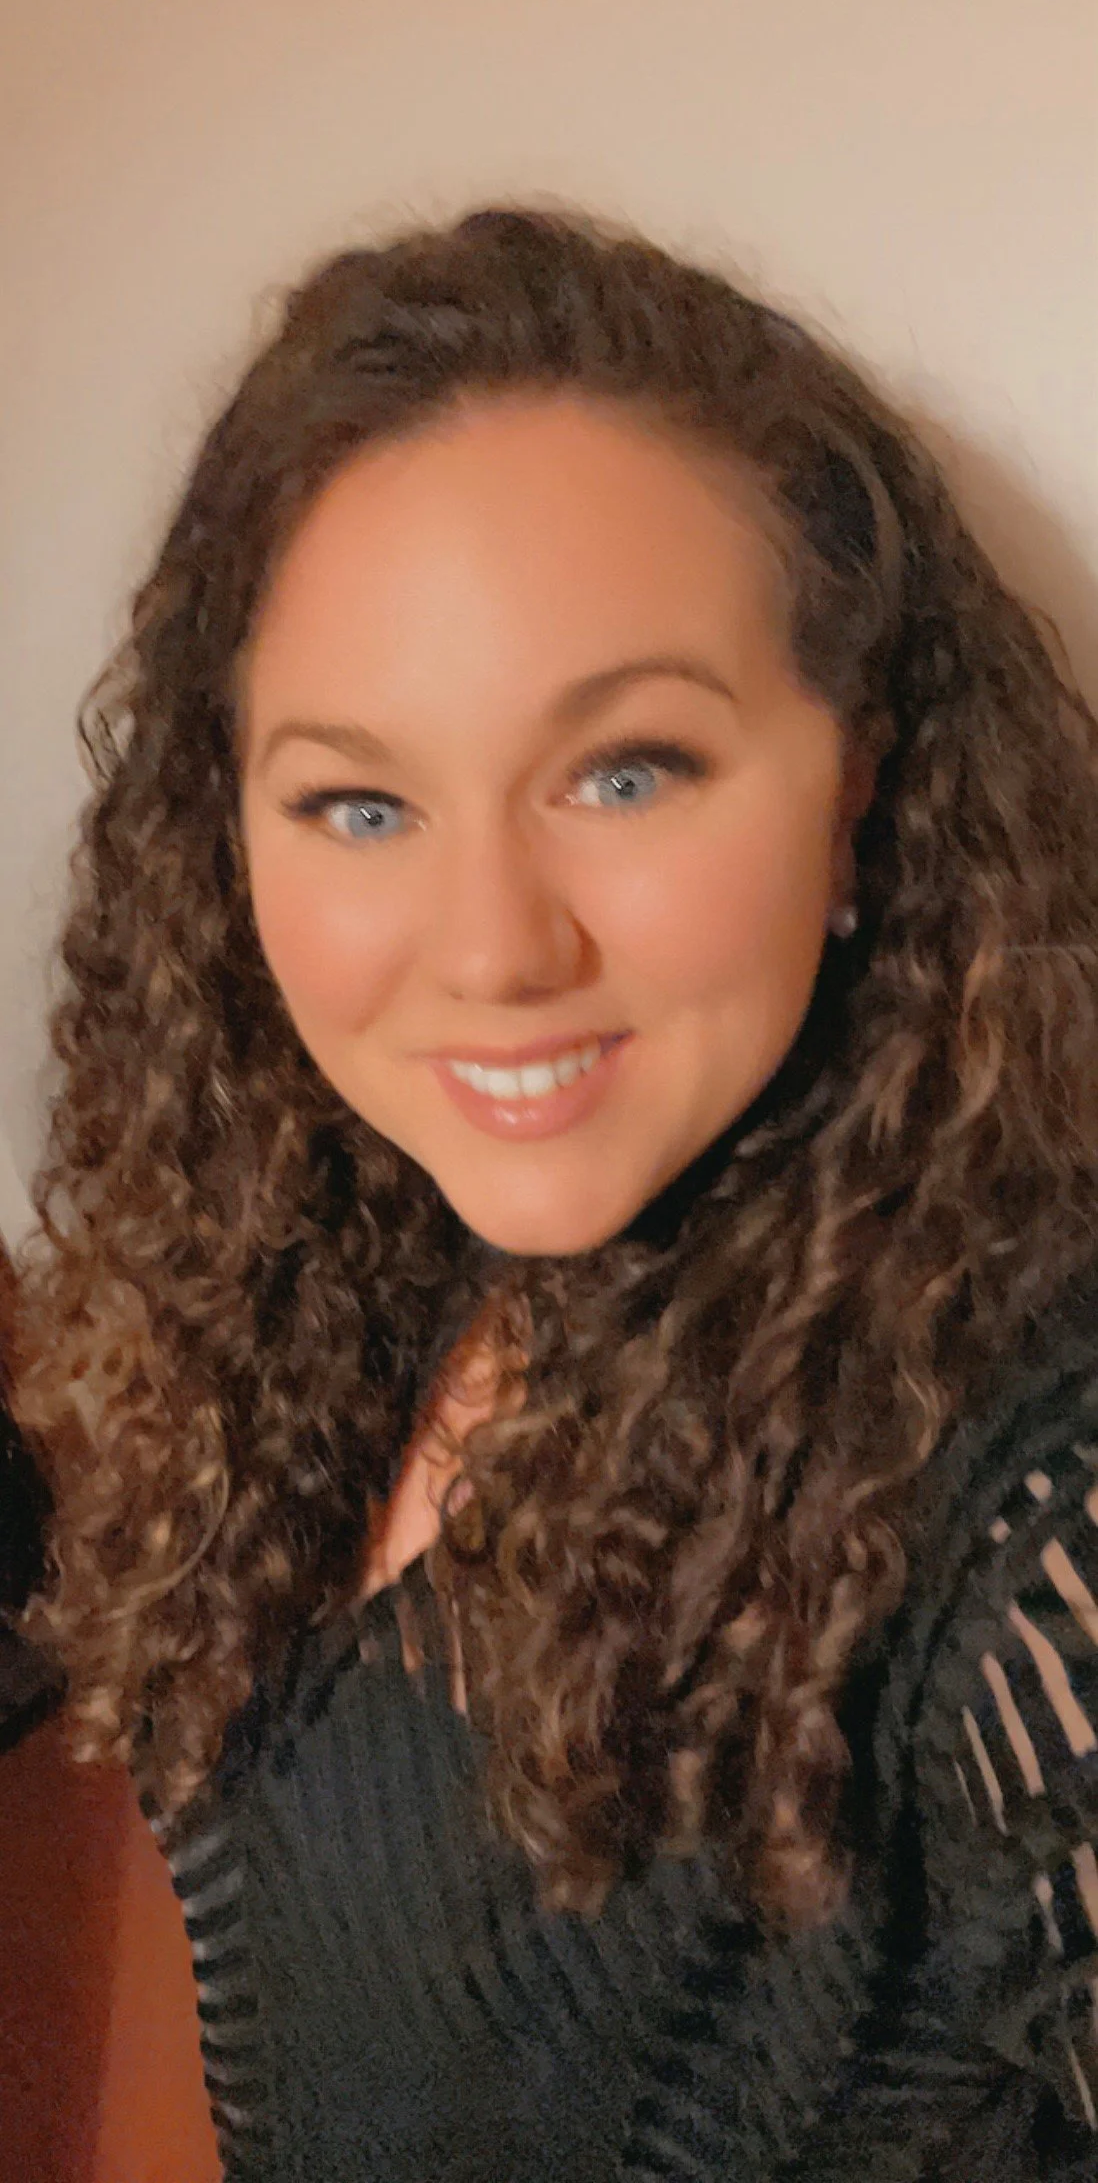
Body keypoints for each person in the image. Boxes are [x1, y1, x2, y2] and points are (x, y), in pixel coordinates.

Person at [16, 205, 1098, 2181]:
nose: (495, 952)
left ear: (853, 787)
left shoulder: (1027, 1480)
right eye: (360, 803)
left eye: (627, 772)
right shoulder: (323, 1269)